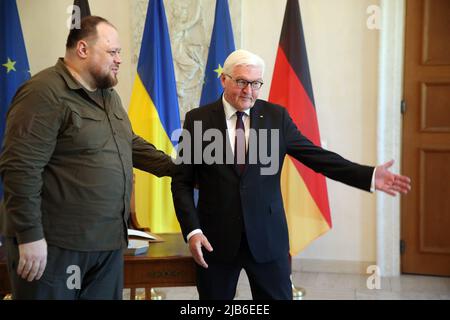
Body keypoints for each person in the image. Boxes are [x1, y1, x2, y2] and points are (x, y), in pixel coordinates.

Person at [171, 49, 411, 300]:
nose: (248, 91)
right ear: (224, 79)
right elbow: (181, 182)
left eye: (255, 84)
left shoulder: (276, 117)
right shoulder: (197, 120)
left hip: (268, 239)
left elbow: (319, 158)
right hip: (214, 241)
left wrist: (369, 175)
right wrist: (192, 231)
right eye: (241, 82)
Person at [0, 16, 174, 300]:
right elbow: (20, 168)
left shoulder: (108, 95)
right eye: (113, 52)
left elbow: (127, 142)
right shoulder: (43, 93)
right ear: (83, 49)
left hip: (107, 244)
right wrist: (30, 235)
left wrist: (175, 169)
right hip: (57, 246)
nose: (119, 59)